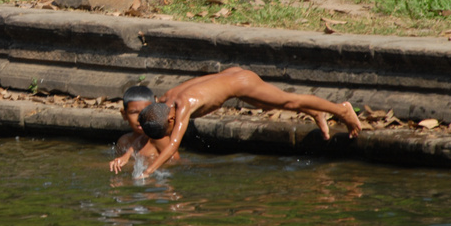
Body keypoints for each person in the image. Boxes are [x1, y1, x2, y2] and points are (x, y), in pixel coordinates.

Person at [110, 67, 362, 178]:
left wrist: (147, 172)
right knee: (271, 104)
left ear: (171, 118)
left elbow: (173, 145)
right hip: (230, 77)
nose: (171, 130)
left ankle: (341, 110)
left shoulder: (182, 106)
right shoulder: (164, 102)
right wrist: (128, 154)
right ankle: (315, 111)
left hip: (241, 82)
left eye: (170, 126)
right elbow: (151, 136)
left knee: (289, 102)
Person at [111, 84, 179, 173]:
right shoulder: (124, 141)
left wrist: (147, 164)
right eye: (134, 112)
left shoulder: (159, 139)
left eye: (145, 112)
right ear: (124, 114)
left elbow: (177, 163)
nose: (140, 118)